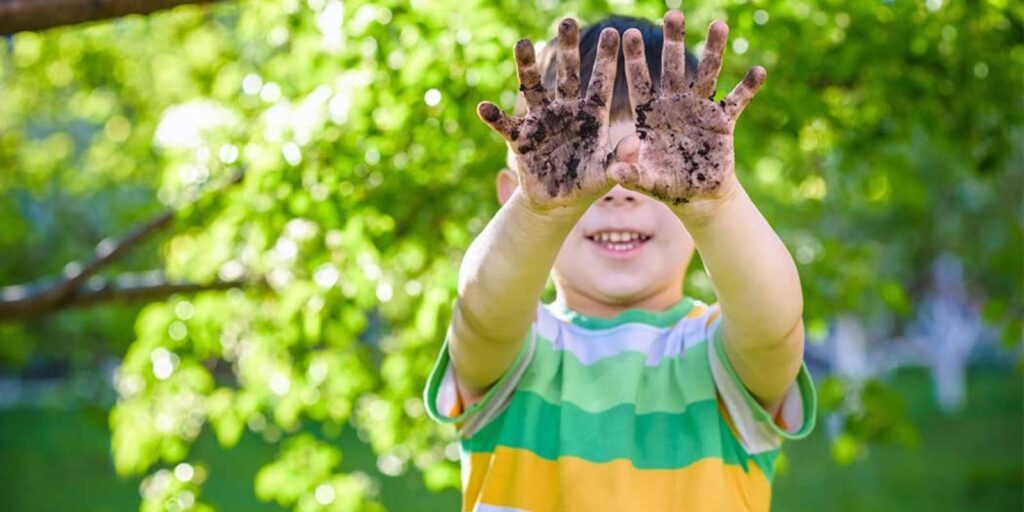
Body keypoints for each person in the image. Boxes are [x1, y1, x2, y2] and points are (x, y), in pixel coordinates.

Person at [423, 9, 816, 512]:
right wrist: (540, 210)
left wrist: (718, 207)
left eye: (650, 168)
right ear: (512, 197)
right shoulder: (512, 357)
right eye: (579, 166)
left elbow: (776, 329)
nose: (616, 190)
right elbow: (480, 313)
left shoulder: (723, 364)